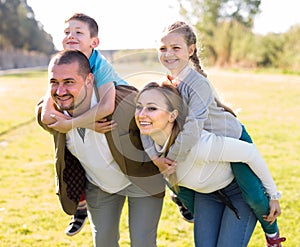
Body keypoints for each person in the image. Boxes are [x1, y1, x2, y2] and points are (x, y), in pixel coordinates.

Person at [140, 21, 286, 247]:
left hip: (233, 137)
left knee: (255, 196)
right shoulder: (170, 82)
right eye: (162, 49)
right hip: (206, 144)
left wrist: (171, 158)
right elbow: (146, 122)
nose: (168, 54)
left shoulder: (196, 83)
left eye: (175, 48)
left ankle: (272, 234)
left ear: (191, 50)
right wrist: (155, 157)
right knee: (175, 180)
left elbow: (193, 127)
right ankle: (185, 203)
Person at [36, 49, 165, 246]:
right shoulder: (54, 114)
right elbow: (42, 115)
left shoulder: (120, 103)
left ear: (89, 79)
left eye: (69, 82)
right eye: (54, 82)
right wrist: (80, 122)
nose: (60, 91)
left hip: (140, 180)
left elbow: (163, 120)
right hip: (99, 184)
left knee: (142, 242)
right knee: (104, 242)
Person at [40, 13, 128, 236]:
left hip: (125, 115)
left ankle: (178, 192)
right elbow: (46, 112)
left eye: (78, 32)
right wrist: (83, 126)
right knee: (71, 154)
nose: (71, 36)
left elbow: (107, 106)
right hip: (89, 125)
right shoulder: (64, 63)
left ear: (94, 42)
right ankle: (79, 207)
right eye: (67, 32)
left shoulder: (99, 64)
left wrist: (72, 124)